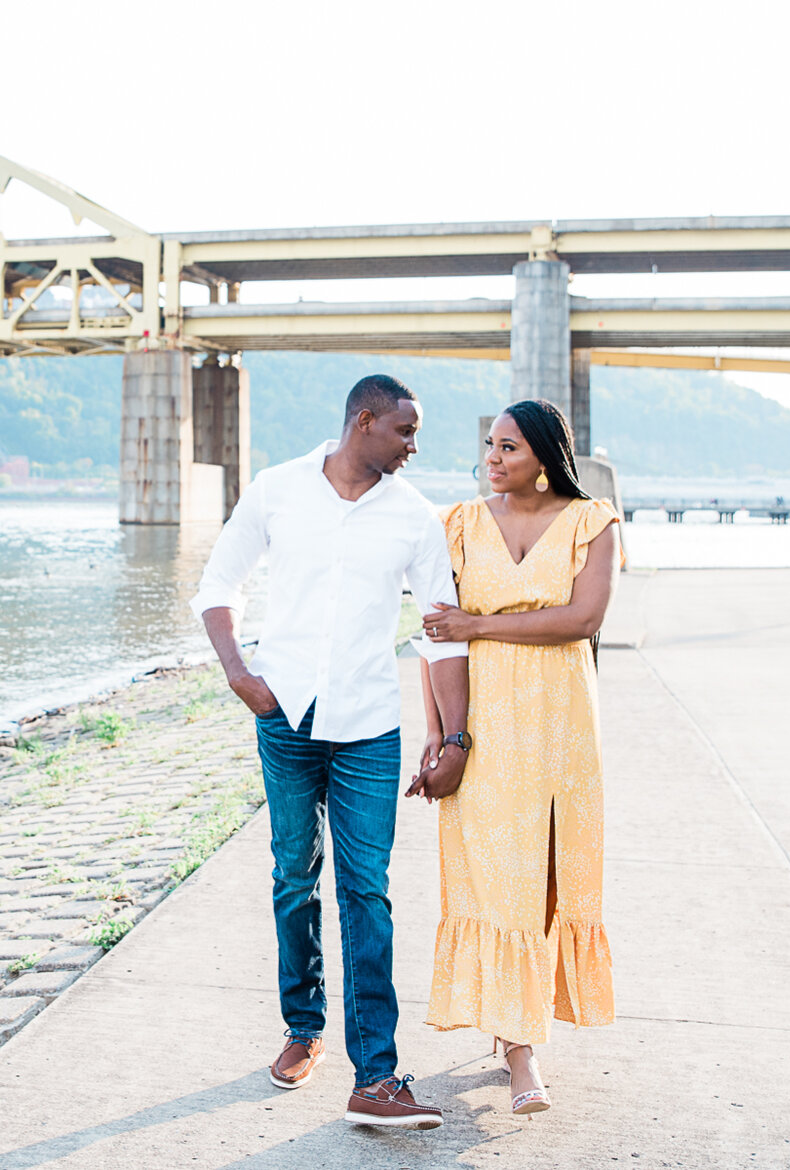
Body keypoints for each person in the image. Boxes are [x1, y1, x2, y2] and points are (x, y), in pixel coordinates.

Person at [191, 373, 471, 1131]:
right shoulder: (279, 490)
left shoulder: (415, 517)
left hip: (369, 726)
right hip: (283, 715)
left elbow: (438, 630)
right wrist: (239, 674)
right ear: (365, 422)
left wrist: (452, 735)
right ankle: (302, 1028)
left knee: (366, 892)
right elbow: (218, 586)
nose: (415, 447)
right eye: (406, 432)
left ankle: (375, 1074)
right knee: (292, 875)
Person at [415, 398, 621, 1116]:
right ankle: (519, 1048)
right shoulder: (460, 525)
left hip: (563, 726)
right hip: (488, 722)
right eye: (489, 447)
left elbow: (583, 619)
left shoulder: (592, 524)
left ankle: (519, 1032)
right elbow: (437, 636)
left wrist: (481, 623)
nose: (492, 460)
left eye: (508, 448)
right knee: (500, 880)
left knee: (550, 879)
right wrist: (440, 733)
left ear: (542, 457)